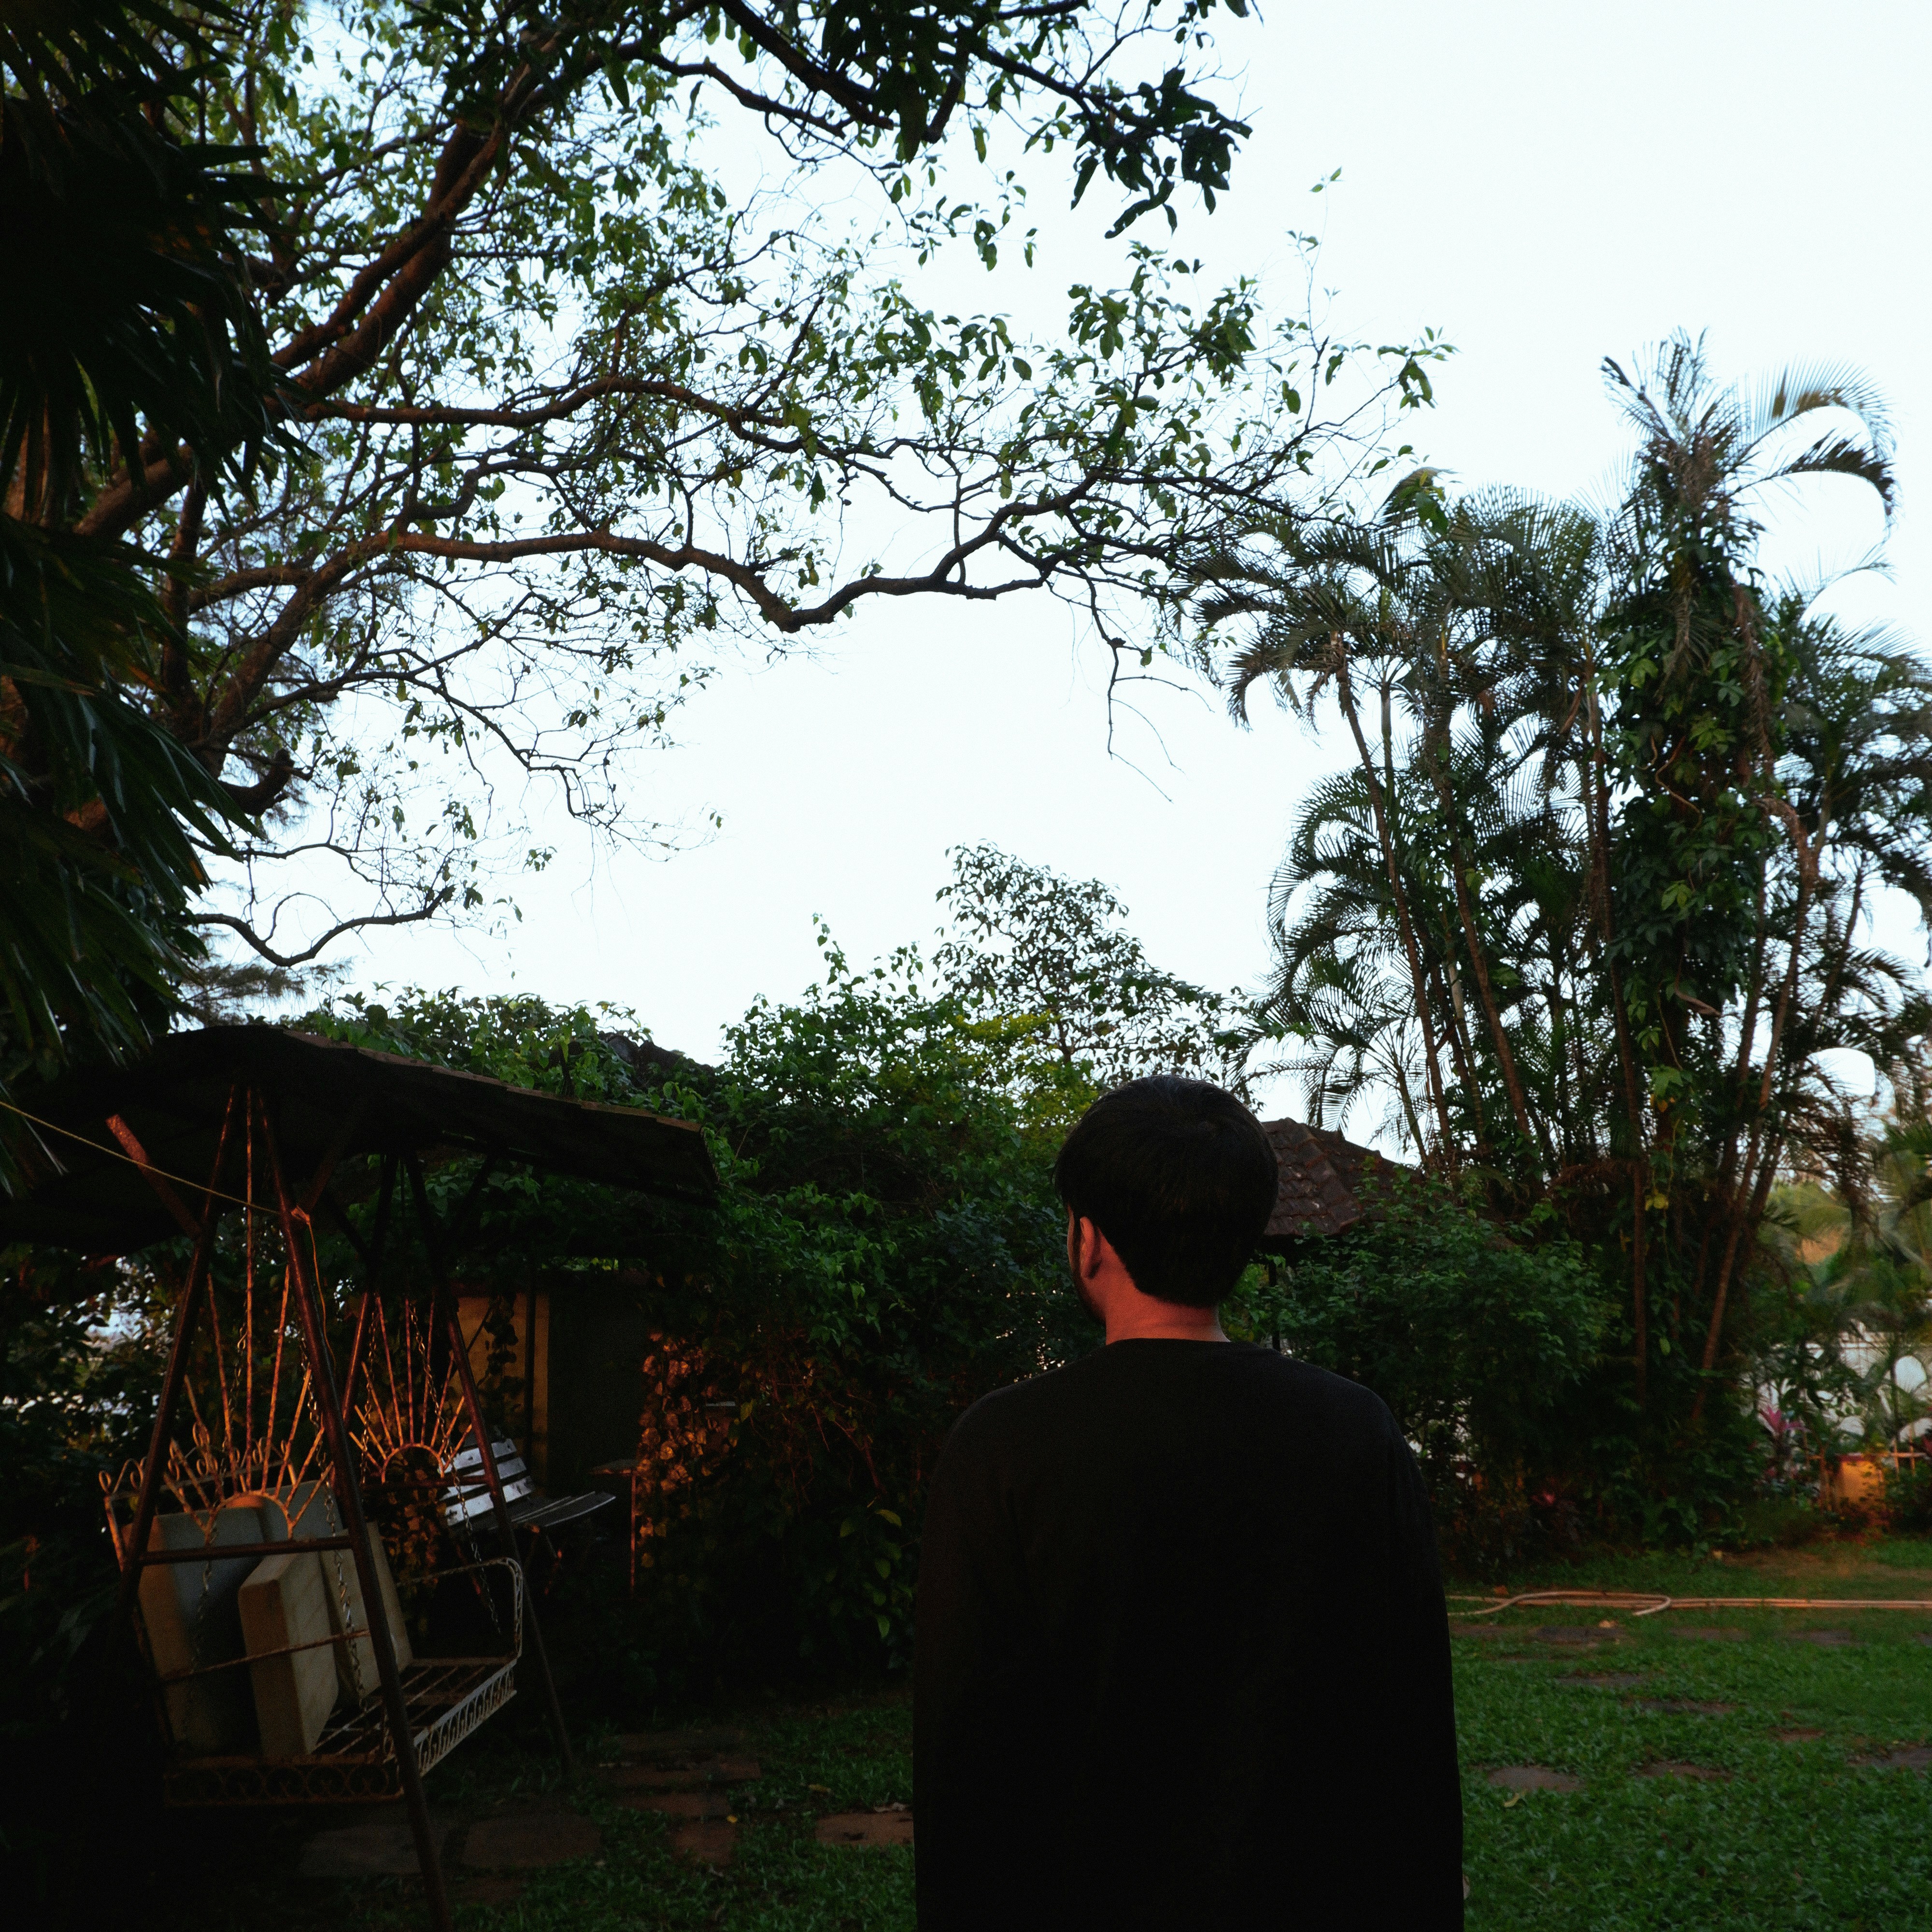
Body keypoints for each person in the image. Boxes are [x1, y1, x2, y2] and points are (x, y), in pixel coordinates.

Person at [913, 1076, 1463, 1928]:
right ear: (1247, 1241)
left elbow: (966, 1771)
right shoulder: (1358, 1436)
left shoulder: (1001, 1450)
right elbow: (1412, 1744)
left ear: (1088, 1239)